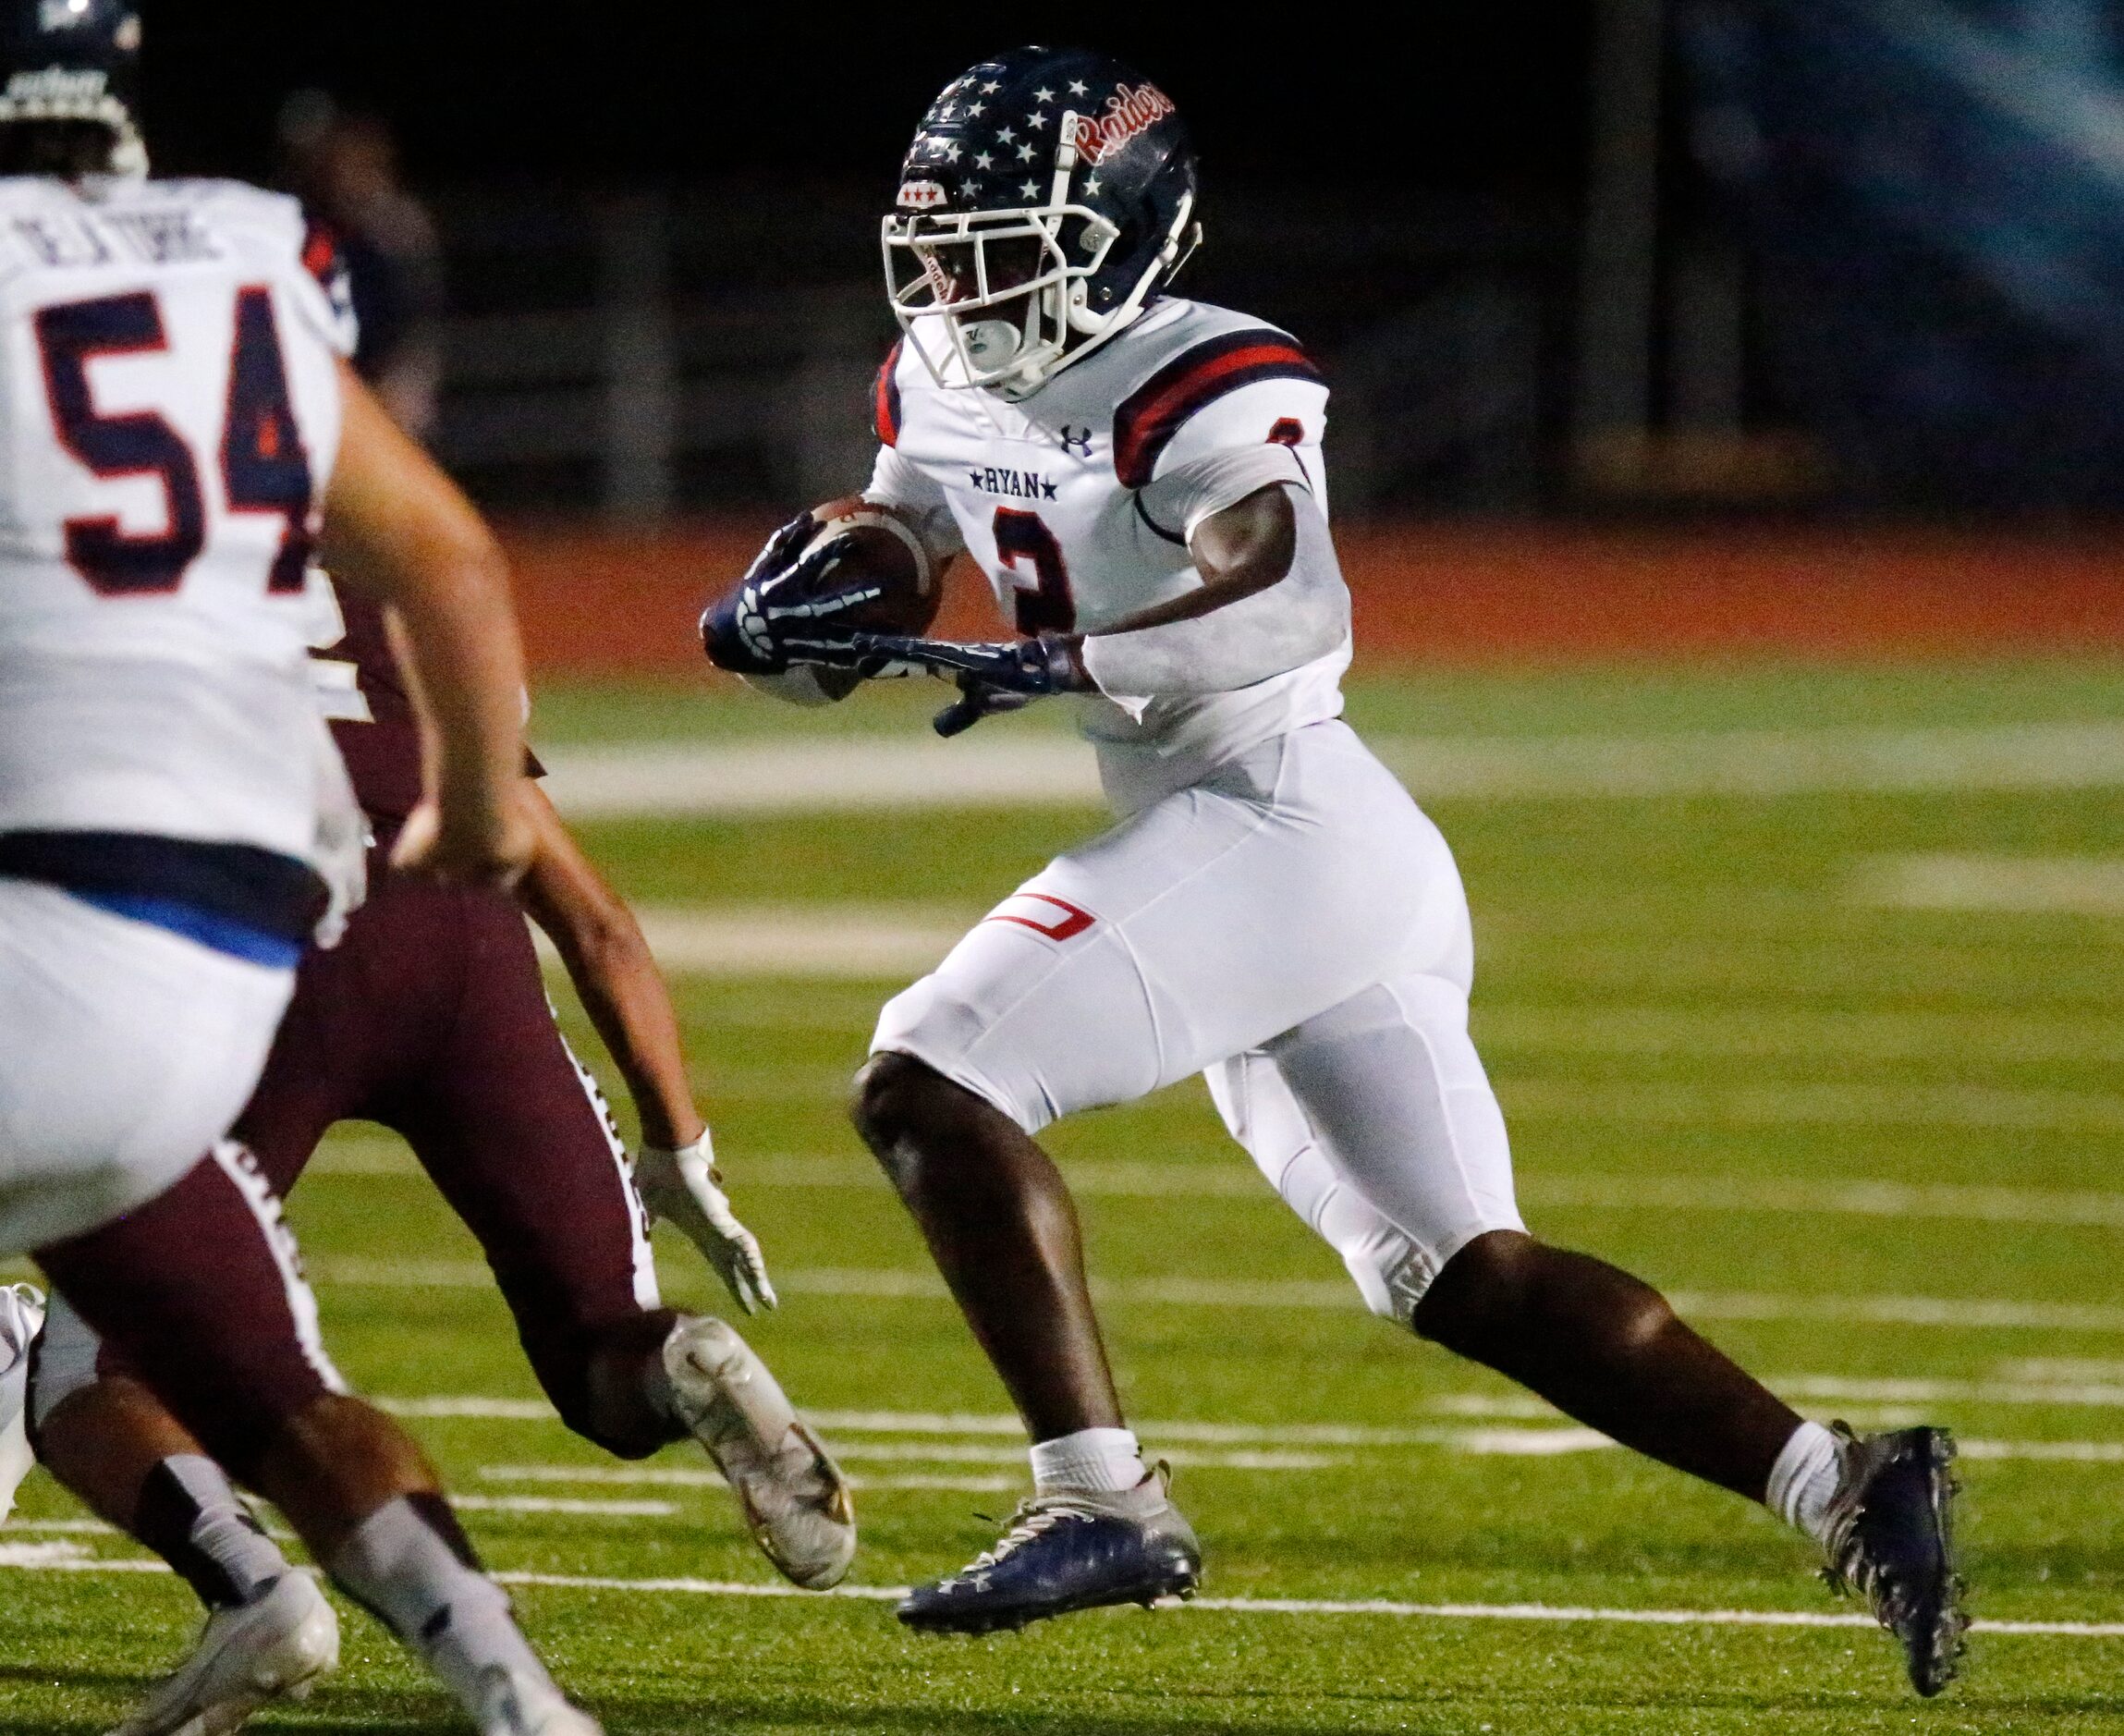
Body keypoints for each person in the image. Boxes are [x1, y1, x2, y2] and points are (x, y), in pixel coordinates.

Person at [702, 44, 1967, 1697]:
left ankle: (1101, 1499)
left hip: (1280, 816)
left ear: (1118, 230)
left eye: (997, 244)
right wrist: (806, 597)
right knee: (1467, 1278)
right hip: (1286, 849)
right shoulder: (936, 364)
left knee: (925, 1073)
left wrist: (1074, 656)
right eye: (938, 246)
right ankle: (1845, 1478)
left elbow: (1289, 600)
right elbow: (908, 526)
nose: (953, 282)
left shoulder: (1200, 369)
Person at [0, 6, 630, 1731]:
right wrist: (494, 821)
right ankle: (516, 1695)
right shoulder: (240, 256)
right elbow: (446, 554)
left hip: (43, 935)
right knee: (268, 1389)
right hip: (219, 970)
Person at [24, 580, 856, 1736]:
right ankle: (678, 1362)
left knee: (88, 1373)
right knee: (600, 1370)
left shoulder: (104, 566)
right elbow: (594, 919)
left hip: (272, 946)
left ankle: (249, 1589)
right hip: (462, 945)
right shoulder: (390, 594)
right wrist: (680, 1141)